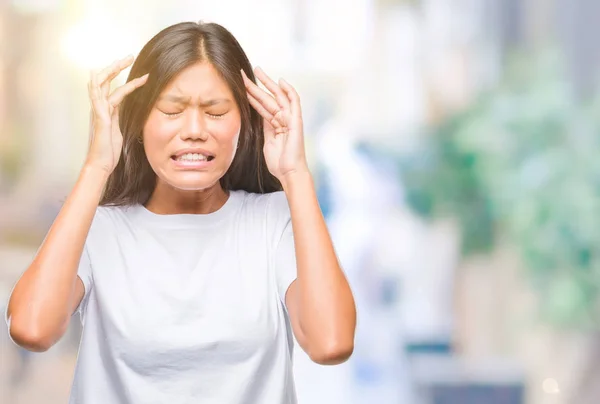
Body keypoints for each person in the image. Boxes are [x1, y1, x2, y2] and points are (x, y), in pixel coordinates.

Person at [5, 21, 356, 404]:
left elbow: (330, 343)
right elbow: (33, 330)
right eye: (172, 110)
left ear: (245, 122)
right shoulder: (98, 225)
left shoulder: (275, 220)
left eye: (216, 112)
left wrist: (295, 173)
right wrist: (96, 167)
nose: (194, 130)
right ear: (138, 123)